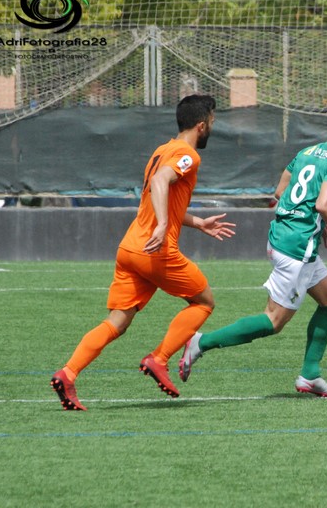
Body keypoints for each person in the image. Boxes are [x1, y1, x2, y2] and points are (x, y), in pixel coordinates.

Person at [178, 103, 327, 397]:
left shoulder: (309, 152)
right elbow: (325, 205)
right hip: (297, 247)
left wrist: (313, 219)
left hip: (284, 236)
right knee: (273, 321)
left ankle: (310, 375)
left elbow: (279, 192)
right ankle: (200, 342)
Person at [50, 94, 235, 411]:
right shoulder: (187, 155)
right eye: (213, 122)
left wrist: (197, 222)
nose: (212, 128)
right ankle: (159, 359)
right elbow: (162, 181)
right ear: (201, 125)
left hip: (130, 248)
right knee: (204, 302)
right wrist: (163, 225)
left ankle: (68, 373)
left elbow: (159, 195)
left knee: (117, 322)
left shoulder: (162, 150)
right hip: (155, 250)